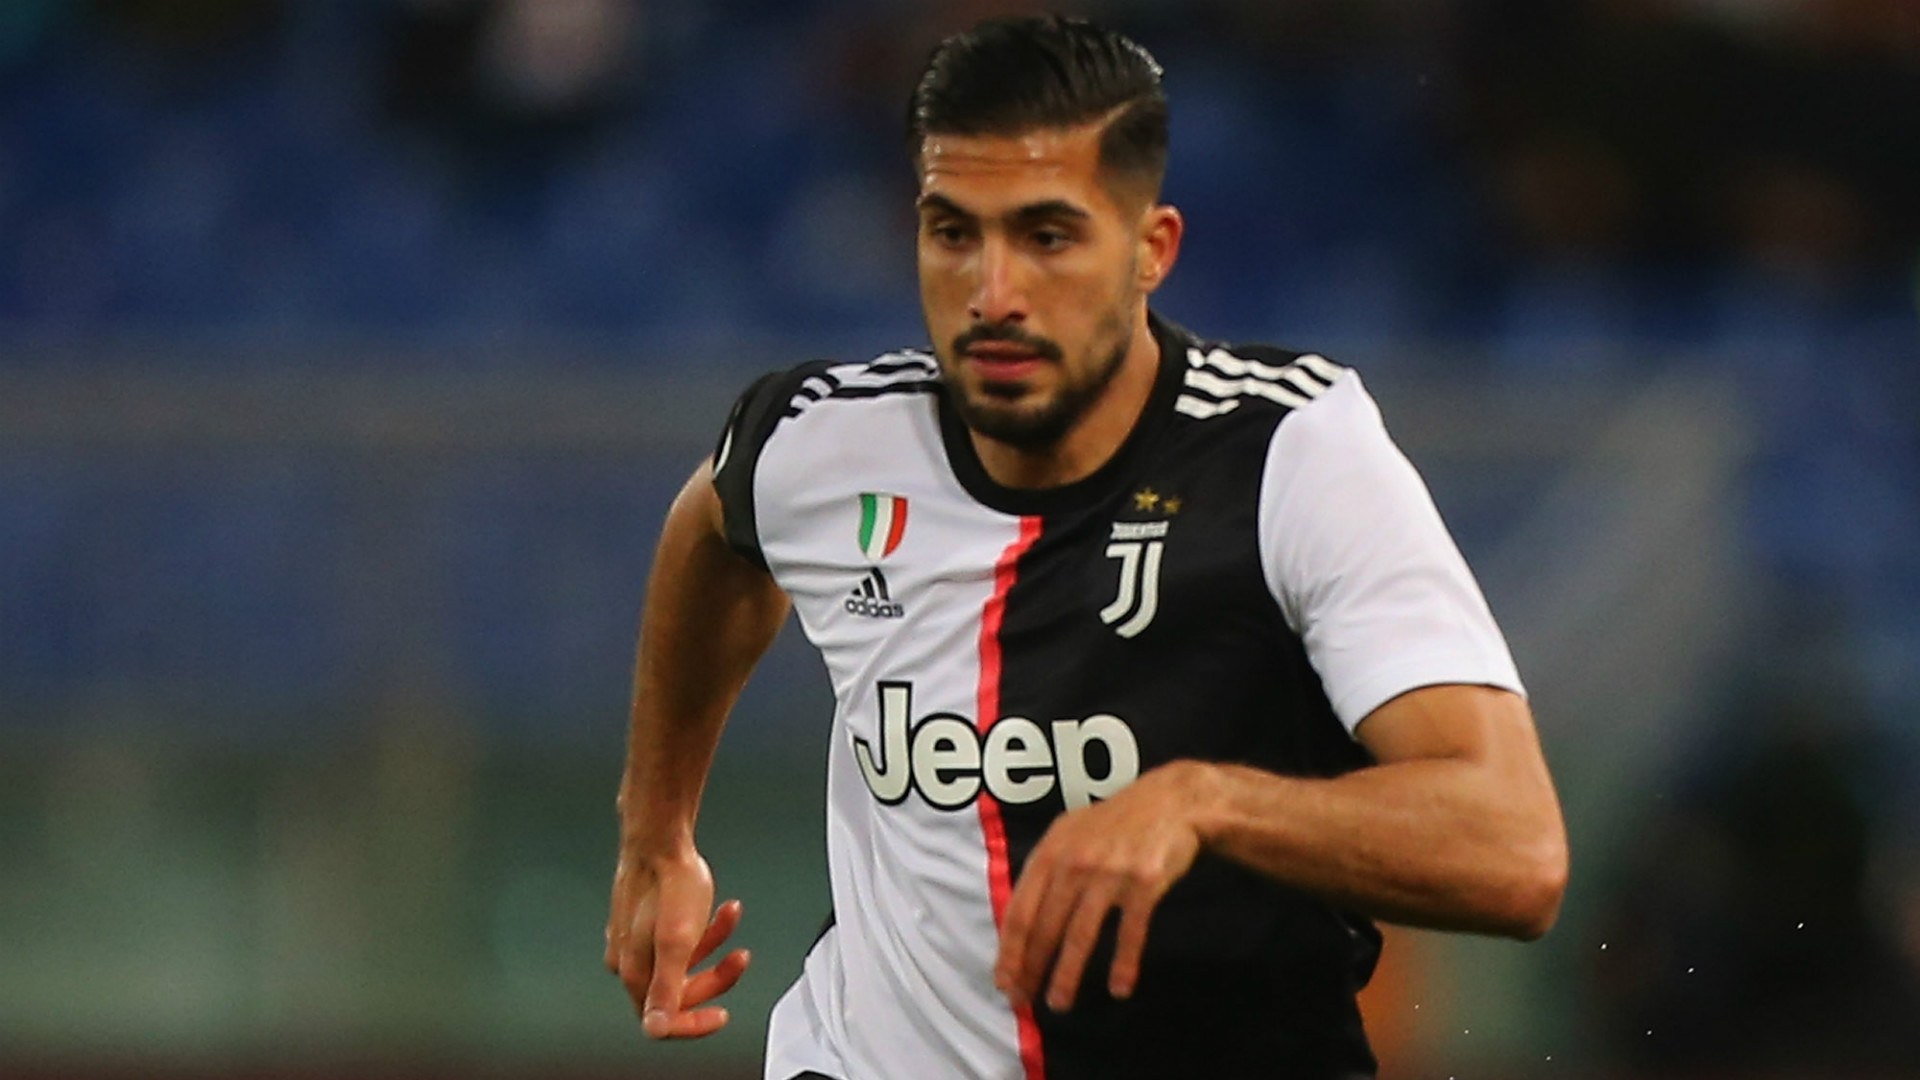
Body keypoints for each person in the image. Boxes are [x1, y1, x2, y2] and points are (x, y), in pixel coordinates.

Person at [604, 15, 1568, 1080]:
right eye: (953, 233)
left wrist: (1206, 803)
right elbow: (713, 531)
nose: (993, 294)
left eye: (1047, 237)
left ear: (1152, 249)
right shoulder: (823, 443)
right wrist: (657, 833)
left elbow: (1515, 851)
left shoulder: (1292, 457)